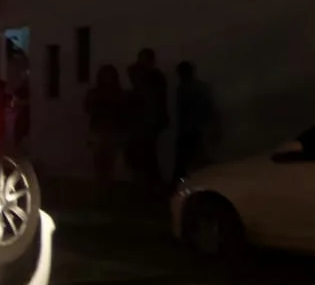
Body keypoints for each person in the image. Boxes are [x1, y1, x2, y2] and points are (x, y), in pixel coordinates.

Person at [124, 47, 169, 196]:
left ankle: (148, 187)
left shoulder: (153, 79)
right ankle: (145, 187)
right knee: (141, 155)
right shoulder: (147, 79)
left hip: (148, 123)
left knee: (146, 155)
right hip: (141, 123)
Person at [84, 64, 126, 203]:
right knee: (100, 165)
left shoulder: (115, 93)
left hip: (110, 131)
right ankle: (101, 194)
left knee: (106, 165)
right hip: (101, 131)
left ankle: (104, 194)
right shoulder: (102, 93)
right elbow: (88, 108)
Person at [173, 60, 219, 180]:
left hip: (189, 130)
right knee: (199, 158)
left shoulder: (183, 88)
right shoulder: (201, 87)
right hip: (199, 128)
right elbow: (210, 108)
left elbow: (182, 112)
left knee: (184, 162)